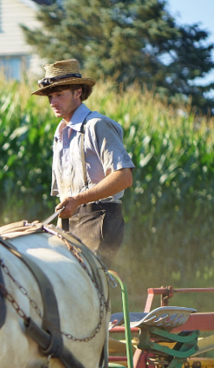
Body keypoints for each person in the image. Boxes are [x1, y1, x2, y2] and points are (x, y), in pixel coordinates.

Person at [32, 59, 134, 268]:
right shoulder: (60, 133)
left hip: (99, 217)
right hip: (68, 219)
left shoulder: (97, 125)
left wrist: (78, 199)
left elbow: (124, 176)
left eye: (59, 94)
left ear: (78, 92)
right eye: (50, 96)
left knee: (89, 282)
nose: (53, 102)